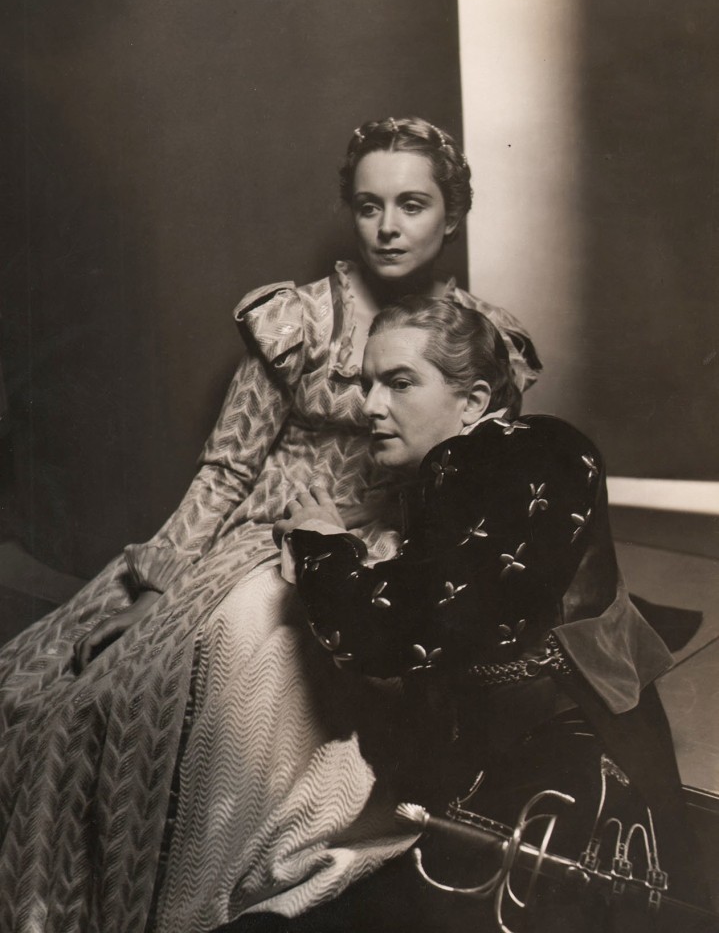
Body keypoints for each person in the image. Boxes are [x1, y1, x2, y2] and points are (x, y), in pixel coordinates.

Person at [0, 118, 541, 933]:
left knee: (313, 656)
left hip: (393, 550)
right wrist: (158, 577)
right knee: (107, 687)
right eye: (368, 205)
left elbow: (485, 483)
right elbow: (226, 469)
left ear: (450, 215)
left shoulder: (479, 341)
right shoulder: (297, 321)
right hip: (266, 538)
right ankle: (150, 889)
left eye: (412, 204)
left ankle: (269, 858)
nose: (388, 227)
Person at [281, 296, 712, 932]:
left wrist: (320, 543)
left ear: (475, 401)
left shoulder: (521, 452)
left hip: (572, 758)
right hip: (525, 749)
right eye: (367, 384)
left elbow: (386, 633)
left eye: (400, 383)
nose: (371, 406)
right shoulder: (481, 465)